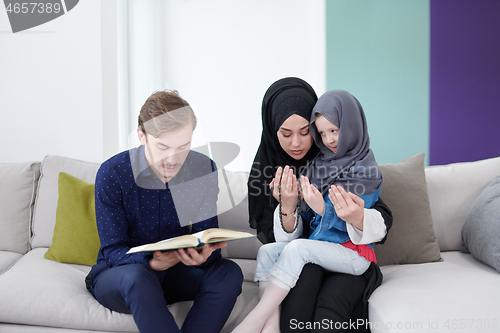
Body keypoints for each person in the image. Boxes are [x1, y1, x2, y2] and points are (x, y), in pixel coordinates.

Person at [85, 90, 243, 333]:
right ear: (142, 136)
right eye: (162, 146)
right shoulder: (113, 173)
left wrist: (204, 255)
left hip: (176, 272)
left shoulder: (202, 168)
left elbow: (205, 234)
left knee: (228, 272)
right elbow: (113, 251)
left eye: (183, 147)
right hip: (122, 276)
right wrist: (153, 263)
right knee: (138, 277)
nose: (172, 159)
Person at [246, 78, 392, 333]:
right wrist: (288, 208)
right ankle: (269, 326)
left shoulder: (348, 160)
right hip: (304, 258)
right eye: (285, 133)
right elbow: (280, 243)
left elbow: (380, 216)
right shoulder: (268, 175)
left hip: (346, 255)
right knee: (292, 274)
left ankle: (257, 322)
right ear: (271, 130)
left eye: (305, 132)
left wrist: (344, 215)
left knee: (329, 307)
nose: (297, 143)